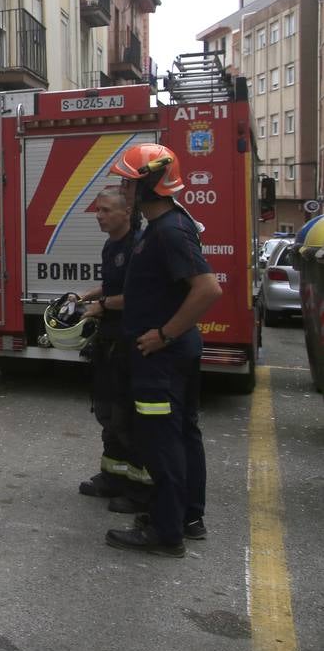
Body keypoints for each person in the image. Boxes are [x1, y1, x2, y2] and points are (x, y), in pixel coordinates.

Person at [104, 143, 220, 557]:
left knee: (162, 441)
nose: (123, 188)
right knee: (183, 435)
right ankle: (187, 517)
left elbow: (208, 289)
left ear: (149, 184)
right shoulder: (162, 226)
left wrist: (164, 334)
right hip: (172, 355)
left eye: (128, 181)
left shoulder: (169, 230)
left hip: (162, 358)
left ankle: (166, 531)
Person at [74, 187, 151, 514]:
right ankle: (112, 476)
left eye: (106, 210)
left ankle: (138, 490)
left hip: (128, 341)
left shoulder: (138, 246)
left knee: (126, 418)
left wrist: (101, 306)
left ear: (125, 213)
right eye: (98, 210)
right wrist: (86, 297)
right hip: (108, 343)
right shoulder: (111, 246)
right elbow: (113, 286)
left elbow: (137, 296)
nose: (99, 216)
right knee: (107, 413)